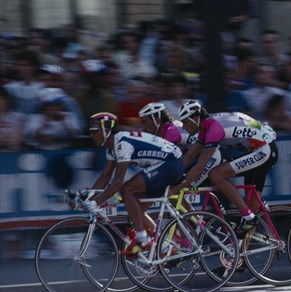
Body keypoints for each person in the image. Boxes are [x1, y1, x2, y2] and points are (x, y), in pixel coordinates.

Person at [84, 112, 185, 255]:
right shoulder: (111, 147)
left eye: (94, 132)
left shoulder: (122, 144)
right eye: (90, 132)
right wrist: (88, 196)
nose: (91, 136)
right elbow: (105, 177)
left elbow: (118, 182)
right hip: (166, 163)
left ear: (106, 130)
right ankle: (165, 248)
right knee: (134, 208)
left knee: (127, 189)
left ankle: (143, 239)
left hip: (170, 163)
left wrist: (96, 203)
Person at [175, 100, 278, 234]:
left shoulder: (213, 129)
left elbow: (201, 165)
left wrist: (178, 187)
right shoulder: (206, 126)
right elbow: (188, 157)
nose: (183, 127)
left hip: (264, 150)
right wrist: (172, 175)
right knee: (251, 207)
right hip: (259, 149)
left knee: (216, 174)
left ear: (195, 119)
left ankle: (248, 217)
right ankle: (242, 253)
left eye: (185, 122)